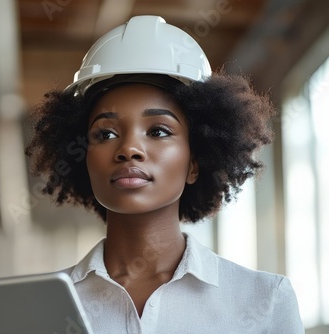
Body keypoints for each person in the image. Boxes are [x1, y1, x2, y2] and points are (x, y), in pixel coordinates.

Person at [25, 15, 304, 333]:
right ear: (83, 160)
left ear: (194, 162)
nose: (129, 149)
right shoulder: (38, 309)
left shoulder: (265, 302)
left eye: (158, 131)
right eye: (105, 134)